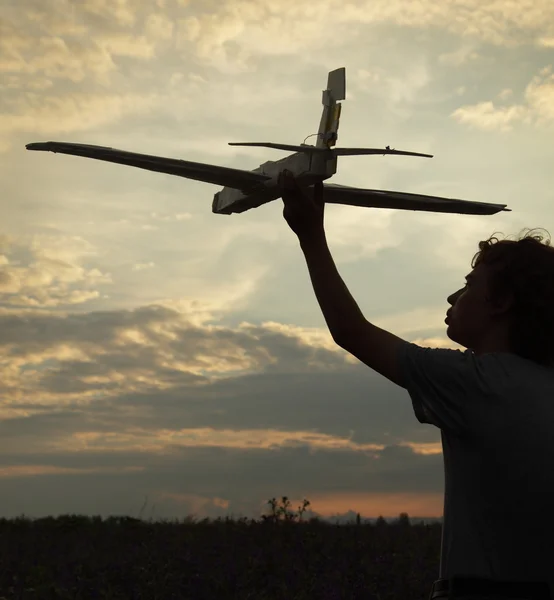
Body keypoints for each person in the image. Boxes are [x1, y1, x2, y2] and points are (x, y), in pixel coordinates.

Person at [278, 170, 554, 600]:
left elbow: (350, 330)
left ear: (501, 303)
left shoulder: (477, 384)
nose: (451, 298)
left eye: (467, 286)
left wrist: (310, 234)